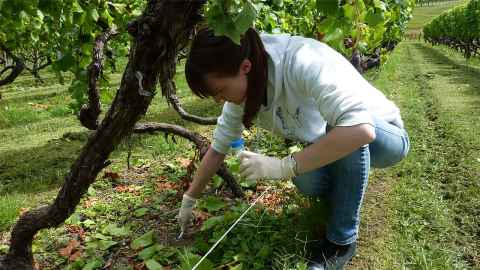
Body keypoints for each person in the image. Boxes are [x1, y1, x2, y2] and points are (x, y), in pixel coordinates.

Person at [177, 27, 410, 270]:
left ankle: (341, 242)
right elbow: (217, 150)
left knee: (342, 129)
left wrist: (281, 167)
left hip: (387, 138)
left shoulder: (302, 61)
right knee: (305, 179)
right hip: (339, 136)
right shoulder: (246, 89)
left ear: (245, 67)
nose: (219, 100)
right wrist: (189, 199)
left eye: (220, 91)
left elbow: (361, 130)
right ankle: (344, 192)